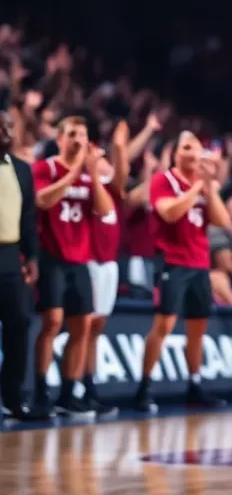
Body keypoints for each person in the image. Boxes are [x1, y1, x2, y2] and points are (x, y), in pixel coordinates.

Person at [134, 131, 232, 412]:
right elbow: (169, 213)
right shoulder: (163, 180)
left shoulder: (203, 184)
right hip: (172, 261)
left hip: (199, 262)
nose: (195, 153)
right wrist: (196, 188)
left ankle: (194, 383)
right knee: (164, 324)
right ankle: (144, 386)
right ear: (176, 152)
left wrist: (210, 188)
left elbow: (222, 220)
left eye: (198, 148)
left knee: (197, 327)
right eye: (188, 147)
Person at [31, 119, 114, 418]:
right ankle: (41, 392)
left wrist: (92, 173)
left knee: (82, 325)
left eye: (83, 134)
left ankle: (68, 393)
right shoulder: (45, 168)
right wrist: (76, 170)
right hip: (51, 255)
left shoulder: (88, 175)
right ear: (59, 139)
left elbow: (105, 210)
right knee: (52, 322)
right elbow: (42, 200)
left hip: (80, 258)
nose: (78, 140)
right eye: (72, 135)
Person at [82, 121, 131, 418]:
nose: (107, 162)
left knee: (97, 328)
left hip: (109, 264)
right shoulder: (86, 187)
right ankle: (78, 385)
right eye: (102, 158)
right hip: (89, 260)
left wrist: (120, 145)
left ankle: (89, 385)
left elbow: (122, 169)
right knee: (85, 326)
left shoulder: (113, 189)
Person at [0, 110, 43, 421]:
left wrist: (32, 257)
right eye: (0, 126)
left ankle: (13, 397)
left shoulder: (22, 170)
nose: (6, 130)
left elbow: (28, 219)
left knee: (19, 325)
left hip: (10, 254)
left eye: (9, 126)